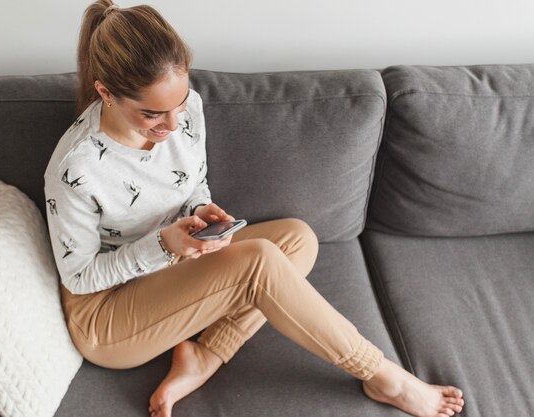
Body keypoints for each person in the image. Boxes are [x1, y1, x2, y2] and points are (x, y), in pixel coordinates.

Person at [43, 1, 466, 416]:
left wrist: (201, 210)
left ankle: (206, 357)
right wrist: (163, 246)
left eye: (179, 104)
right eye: (153, 114)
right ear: (105, 92)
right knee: (261, 259)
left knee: (297, 239)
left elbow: (191, 181)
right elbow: (79, 278)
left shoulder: (187, 112)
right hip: (106, 318)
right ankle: (381, 375)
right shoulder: (75, 169)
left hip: (166, 268)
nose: (172, 126)